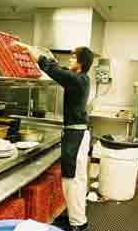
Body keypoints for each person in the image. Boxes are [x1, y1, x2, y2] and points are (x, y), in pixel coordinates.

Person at [36, 46, 94, 231]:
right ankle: (76, 218)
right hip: (77, 134)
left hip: (75, 136)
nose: (70, 60)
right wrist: (51, 58)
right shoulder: (81, 79)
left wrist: (30, 51)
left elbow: (53, 70)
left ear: (81, 63)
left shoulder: (77, 80)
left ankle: (78, 224)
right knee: (76, 179)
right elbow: (60, 70)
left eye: (73, 57)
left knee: (72, 180)